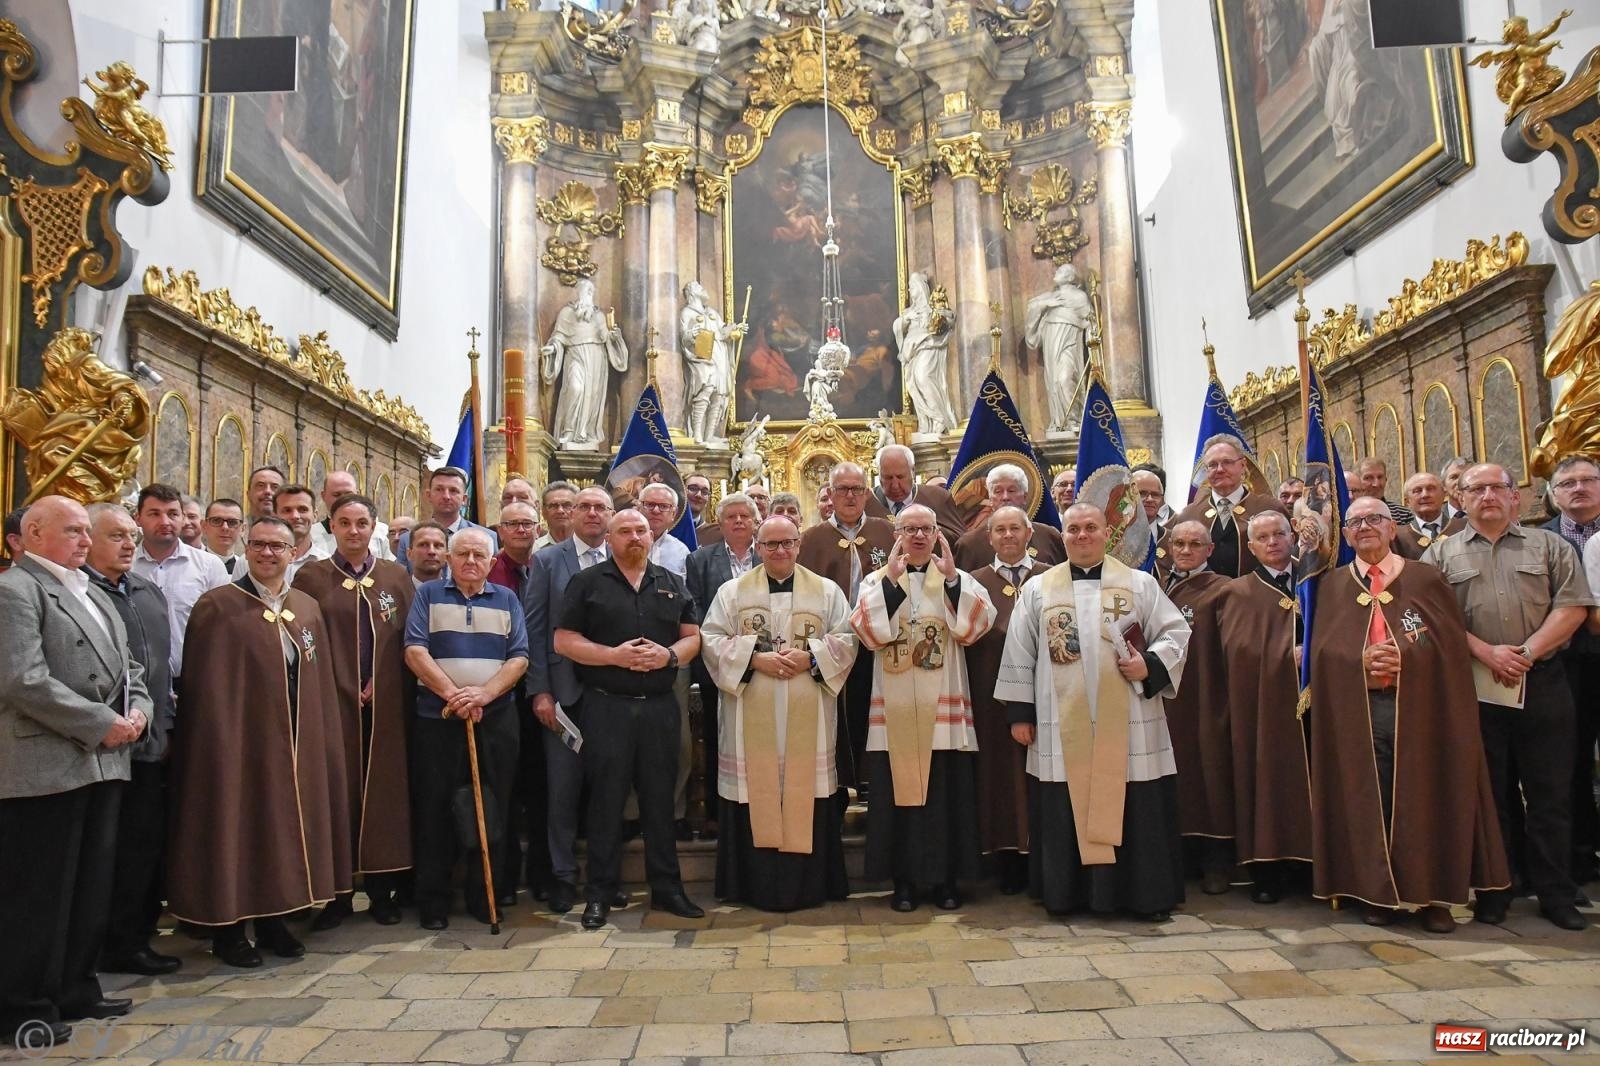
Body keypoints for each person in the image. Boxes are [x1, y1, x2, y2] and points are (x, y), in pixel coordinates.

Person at [1309, 497, 1510, 932]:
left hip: (1422, 709)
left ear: (1391, 527)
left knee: (1427, 793)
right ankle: (1376, 892)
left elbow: (1450, 645)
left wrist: (1404, 656)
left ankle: (1433, 897)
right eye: (1356, 522)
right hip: (1361, 710)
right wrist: (1358, 660)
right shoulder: (1333, 585)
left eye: (1375, 519)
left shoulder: (1425, 579)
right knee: (1371, 797)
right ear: (1345, 535)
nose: (1365, 527)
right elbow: (1321, 653)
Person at [167, 516, 351, 967]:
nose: (268, 554)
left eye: (279, 547)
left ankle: (275, 920)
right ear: (247, 548)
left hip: (294, 742)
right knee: (237, 828)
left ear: (293, 553)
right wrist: (223, 745)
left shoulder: (306, 607)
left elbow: (317, 681)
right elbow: (208, 691)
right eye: (260, 545)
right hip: (239, 746)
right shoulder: (218, 607)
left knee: (283, 830)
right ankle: (229, 932)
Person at [0, 497, 149, 1046]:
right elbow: (22, 680)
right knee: (40, 892)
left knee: (90, 883)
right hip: (46, 762)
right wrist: (100, 722)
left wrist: (138, 712)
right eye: (73, 531)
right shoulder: (14, 591)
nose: (85, 541)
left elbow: (130, 666)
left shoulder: (88, 591)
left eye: (88, 531)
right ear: (32, 534)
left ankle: (75, 986)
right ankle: (22, 1006)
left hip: (104, 758)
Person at [996, 503, 1191, 921]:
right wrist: (1020, 713)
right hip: (1059, 719)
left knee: (1133, 796)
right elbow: (1018, 651)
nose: (1081, 536)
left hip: (1131, 720)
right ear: (1062, 536)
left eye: (1090, 528)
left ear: (1107, 533)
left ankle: (1143, 895)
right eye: (1073, 529)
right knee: (1066, 795)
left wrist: (1150, 665)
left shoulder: (1139, 585)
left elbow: (1174, 632)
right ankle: (1068, 894)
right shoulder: (1038, 589)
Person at [1424, 464, 1595, 930]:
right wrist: (1486, 652)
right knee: (1490, 792)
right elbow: (1434, 619)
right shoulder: (1440, 555)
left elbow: (1573, 606)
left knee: (1550, 792)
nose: (1489, 496)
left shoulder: (1549, 546)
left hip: (1542, 681)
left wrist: (1523, 653)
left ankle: (1556, 893)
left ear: (1515, 496)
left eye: (1498, 487)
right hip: (1477, 686)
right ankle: (1497, 889)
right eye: (1477, 489)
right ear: (1460, 499)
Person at [554, 509, 704, 929]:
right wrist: (613, 656)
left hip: (659, 707)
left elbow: (694, 637)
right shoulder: (586, 583)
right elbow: (563, 640)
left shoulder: (671, 584)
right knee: (606, 801)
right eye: (625, 531)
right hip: (607, 706)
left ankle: (668, 889)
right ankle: (599, 893)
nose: (635, 537)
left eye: (641, 531)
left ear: (651, 537)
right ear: (609, 538)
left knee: (661, 800)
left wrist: (669, 655)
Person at [701, 515, 857, 911]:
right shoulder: (733, 592)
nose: (780, 551)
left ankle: (809, 886)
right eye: (771, 545)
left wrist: (811, 658)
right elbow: (711, 639)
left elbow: (847, 637)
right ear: (758, 547)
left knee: (807, 790)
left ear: (799, 545)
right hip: (751, 708)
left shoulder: (826, 592)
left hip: (809, 708)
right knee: (756, 790)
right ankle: (754, 886)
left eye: (787, 542)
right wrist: (755, 660)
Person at [851, 504, 995, 911]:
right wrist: (892, 584)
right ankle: (905, 883)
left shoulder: (958, 579)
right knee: (898, 800)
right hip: (892, 711)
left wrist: (950, 581)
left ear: (937, 535)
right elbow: (866, 632)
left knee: (946, 798)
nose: (918, 536)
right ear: (897, 533)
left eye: (925, 529)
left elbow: (973, 629)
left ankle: (948, 881)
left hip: (942, 714)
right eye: (910, 528)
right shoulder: (876, 581)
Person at [292, 494, 415, 929]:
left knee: (385, 793)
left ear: (374, 527)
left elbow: (409, 640)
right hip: (333, 702)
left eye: (362, 522)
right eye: (344, 522)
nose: (353, 531)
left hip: (387, 706)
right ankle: (338, 894)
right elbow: (303, 639)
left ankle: (383, 890)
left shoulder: (397, 577)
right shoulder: (311, 578)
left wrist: (378, 683)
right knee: (337, 792)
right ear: (332, 527)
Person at [403, 528, 528, 930]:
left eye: (479, 555)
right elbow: (414, 649)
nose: (471, 561)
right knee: (436, 808)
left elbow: (519, 657)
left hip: (494, 719)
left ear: (493, 562)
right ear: (449, 559)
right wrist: (454, 695)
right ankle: (434, 901)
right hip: (437, 720)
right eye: (463, 554)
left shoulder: (507, 599)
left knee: (493, 807)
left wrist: (483, 695)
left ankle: (484, 895)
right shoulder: (428, 595)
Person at [84, 503, 179, 976]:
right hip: (96, 745)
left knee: (144, 847)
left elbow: (158, 668)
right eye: (116, 535)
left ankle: (132, 939)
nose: (127, 545)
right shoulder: (81, 591)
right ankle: (93, 946)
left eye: (129, 537)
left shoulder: (146, 591)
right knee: (102, 852)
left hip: (150, 741)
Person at [1208, 510, 1312, 904]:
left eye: (1279, 534)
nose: (1273, 542)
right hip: (1265, 707)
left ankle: (1316, 867)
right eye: (1263, 537)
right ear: (1250, 547)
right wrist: (1288, 654)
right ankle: (1268, 869)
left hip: (1318, 707)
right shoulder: (1238, 592)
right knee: (1269, 783)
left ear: (1293, 536)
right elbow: (1239, 650)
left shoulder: (1317, 581)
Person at [525, 487, 616, 915]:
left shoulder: (623, 556)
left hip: (612, 693)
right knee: (561, 791)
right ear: (570, 514)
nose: (593, 513)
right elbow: (534, 629)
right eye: (585, 506)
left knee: (607, 790)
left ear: (612, 515)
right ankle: (562, 876)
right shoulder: (546, 561)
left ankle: (605, 876)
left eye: (601, 507)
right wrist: (540, 691)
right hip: (562, 695)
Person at [798, 462, 896, 793]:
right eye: (842, 490)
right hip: (831, 644)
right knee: (837, 716)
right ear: (830, 494)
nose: (850, 496)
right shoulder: (811, 539)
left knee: (875, 710)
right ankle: (840, 782)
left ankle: (875, 782)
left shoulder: (889, 532)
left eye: (857, 489)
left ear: (867, 493)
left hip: (881, 643)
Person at [964, 505, 1047, 894]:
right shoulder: (972, 582)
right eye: (1001, 530)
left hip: (1049, 696)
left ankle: (1046, 855)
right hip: (989, 693)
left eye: (1016, 528)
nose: (1009, 536)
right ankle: (1006, 858)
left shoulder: (1052, 577)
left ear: (1029, 533)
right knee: (1000, 777)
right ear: (990, 538)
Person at [1158, 520, 1234, 895]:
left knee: (1208, 776)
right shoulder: (1157, 586)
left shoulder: (1222, 590)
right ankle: (1179, 857)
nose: (1185, 550)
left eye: (1194, 544)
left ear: (1209, 550)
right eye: (1179, 543)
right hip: (1164, 701)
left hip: (1205, 696)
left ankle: (1216, 860)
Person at [485, 500, 551, 906]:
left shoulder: (549, 565)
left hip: (541, 690)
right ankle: (505, 877)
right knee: (503, 789)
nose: (522, 530)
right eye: (513, 524)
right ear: (500, 529)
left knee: (542, 789)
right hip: (499, 694)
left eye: (528, 523)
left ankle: (543, 875)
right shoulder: (488, 569)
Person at [1539, 455, 1600, 888]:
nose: (1579, 488)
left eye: (1589, 480)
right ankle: (1580, 855)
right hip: (1566, 663)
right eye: (1568, 483)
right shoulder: (1540, 540)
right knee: (1571, 758)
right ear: (1553, 494)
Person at [686, 493, 760, 840]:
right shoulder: (700, 560)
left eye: (746, 515)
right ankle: (720, 811)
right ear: (721, 523)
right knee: (721, 733)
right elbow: (695, 611)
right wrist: (727, 650)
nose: (739, 521)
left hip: (765, 663)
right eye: (731, 516)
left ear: (756, 521)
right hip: (719, 662)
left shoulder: (770, 554)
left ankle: (759, 803)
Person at [132, 483, 231, 683]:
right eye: (154, 514)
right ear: (138, 518)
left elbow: (225, 629)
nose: (165, 521)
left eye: (173, 514)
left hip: (194, 680)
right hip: (138, 682)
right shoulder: (125, 565)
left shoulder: (209, 566)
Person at [1161, 441, 1287, 579]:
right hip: (1203, 596)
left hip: (1258, 595)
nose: (1220, 469)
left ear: (1243, 465)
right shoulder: (1189, 515)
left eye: (1227, 462)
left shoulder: (1270, 508)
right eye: (1212, 465)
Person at [541, 277, 630, 448]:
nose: (590, 294)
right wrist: (552, 348)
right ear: (579, 293)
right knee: (575, 388)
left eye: (592, 292)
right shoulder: (566, 313)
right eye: (587, 291)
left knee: (591, 395)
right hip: (575, 355)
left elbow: (606, 337)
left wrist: (615, 335)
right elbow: (559, 336)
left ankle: (585, 432)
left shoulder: (598, 316)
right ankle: (569, 431)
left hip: (596, 358)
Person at [953, 464, 1066, 571]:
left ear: (1025, 497)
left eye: (1012, 490)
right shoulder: (969, 544)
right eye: (998, 491)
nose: (1005, 497)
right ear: (990, 499)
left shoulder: (1050, 536)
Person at [1024, 262, 1094, 434]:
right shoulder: (1049, 296)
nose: (1057, 272)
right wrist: (1045, 304)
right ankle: (1059, 421)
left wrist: (1093, 334)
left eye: (1062, 271)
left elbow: (1091, 318)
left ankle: (1074, 419)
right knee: (1054, 381)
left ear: (1071, 277)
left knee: (1065, 379)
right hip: (1051, 340)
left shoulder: (1079, 297)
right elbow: (1032, 307)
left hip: (1069, 342)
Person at [396, 467, 497, 569]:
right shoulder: (407, 539)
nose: (446, 496)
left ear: (464, 499)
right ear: (428, 495)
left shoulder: (487, 537)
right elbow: (401, 581)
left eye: (453, 490)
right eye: (439, 489)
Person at [864, 444, 965, 541]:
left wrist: (928, 530)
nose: (895, 485)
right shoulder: (864, 502)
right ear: (879, 474)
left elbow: (959, 540)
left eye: (900, 477)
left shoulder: (938, 498)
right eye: (888, 478)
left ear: (913, 471)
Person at [309, 471, 394, 561]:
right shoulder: (311, 535)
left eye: (348, 494)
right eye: (336, 495)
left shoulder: (381, 532)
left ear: (357, 494)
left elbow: (389, 569)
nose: (343, 499)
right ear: (323, 496)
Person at [1394, 472, 1465, 559]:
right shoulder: (1397, 537)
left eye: (1431, 489)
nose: (1425, 495)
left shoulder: (1464, 528)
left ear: (1444, 494)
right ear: (1407, 500)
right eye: (1417, 491)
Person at [275, 483, 331, 583]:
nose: (295, 516)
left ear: (315, 515)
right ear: (275, 517)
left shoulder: (328, 564)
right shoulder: (253, 561)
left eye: (303, 510)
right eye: (287, 510)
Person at [640, 483, 690, 575]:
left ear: (674, 514)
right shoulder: (622, 543)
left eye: (663, 506)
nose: (656, 510)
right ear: (639, 508)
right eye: (650, 504)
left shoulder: (681, 552)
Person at [1355, 458, 1415, 524]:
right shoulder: (1349, 514)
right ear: (1357, 481)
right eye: (1369, 478)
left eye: (1380, 477)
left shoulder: (1403, 515)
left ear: (1386, 480)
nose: (1376, 484)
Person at [201, 498, 245, 573]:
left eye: (232, 522)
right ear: (204, 526)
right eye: (216, 520)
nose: (225, 527)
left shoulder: (246, 570)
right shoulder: (191, 566)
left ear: (243, 529)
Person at [533, 481, 577, 551]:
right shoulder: (533, 550)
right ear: (543, 512)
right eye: (553, 506)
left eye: (567, 505)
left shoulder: (590, 548)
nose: (560, 511)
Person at [1132, 468, 1169, 545]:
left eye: (1155, 495)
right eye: (1142, 493)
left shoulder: (1172, 540)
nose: (1150, 499)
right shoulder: (1111, 538)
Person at [407, 522, 449, 587]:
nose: (431, 551)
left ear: (447, 555)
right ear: (409, 554)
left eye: (438, 545)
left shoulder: (458, 595)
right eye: (423, 545)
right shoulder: (396, 593)